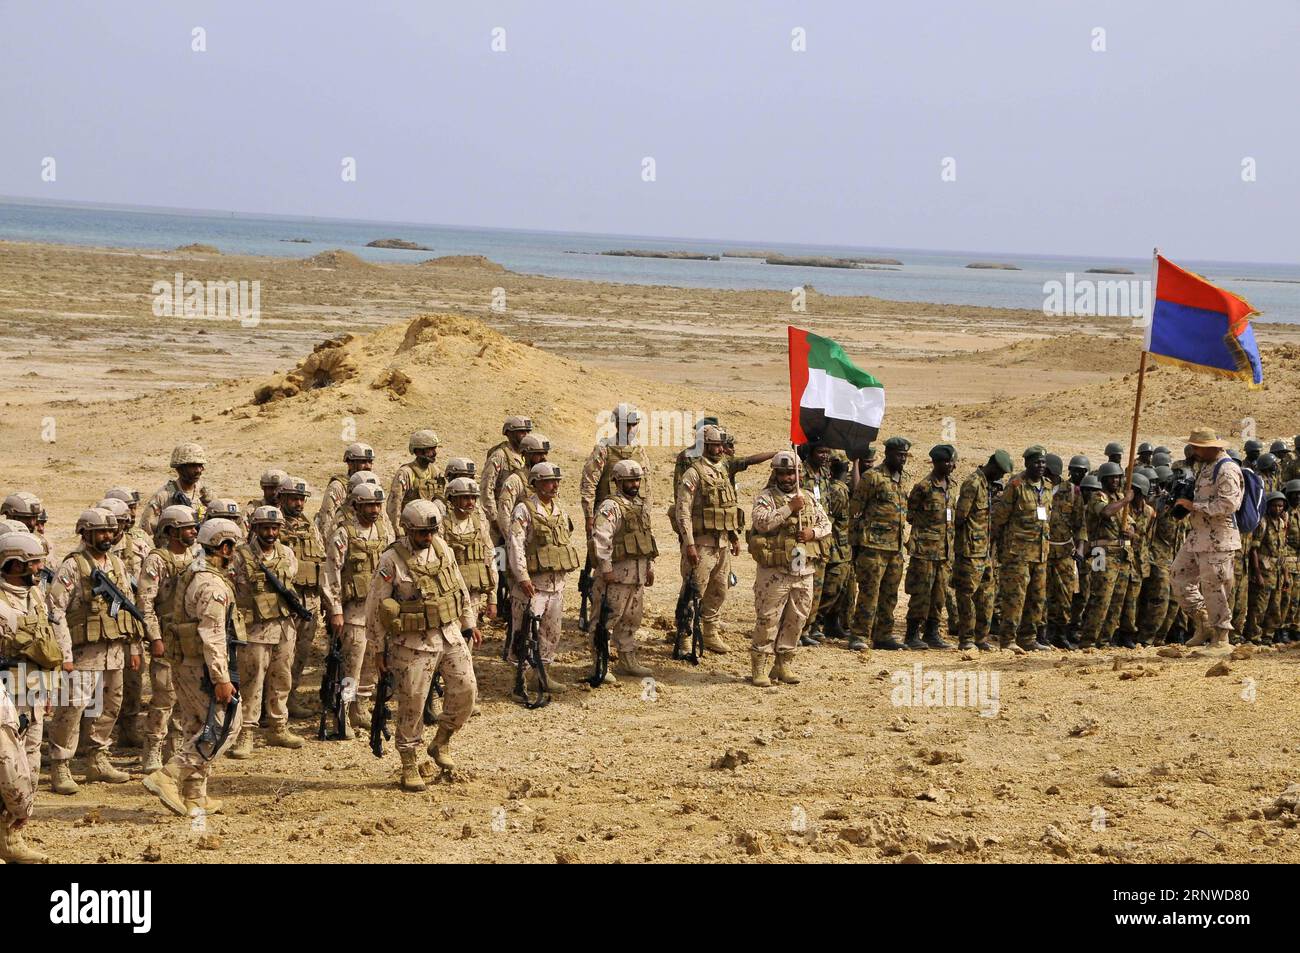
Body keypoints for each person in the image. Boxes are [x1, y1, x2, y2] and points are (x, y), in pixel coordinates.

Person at [366, 501, 479, 791]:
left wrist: (469, 622)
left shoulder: (443, 548)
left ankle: (441, 742)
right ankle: (408, 762)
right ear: (407, 529)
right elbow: (376, 606)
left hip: (449, 634)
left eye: (431, 531)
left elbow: (459, 588)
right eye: (421, 533)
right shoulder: (391, 560)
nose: (427, 537)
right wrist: (378, 650)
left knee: (466, 689)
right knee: (412, 704)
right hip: (412, 644)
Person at [141, 518, 245, 817]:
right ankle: (168, 775)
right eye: (233, 547)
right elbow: (212, 636)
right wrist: (221, 679)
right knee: (226, 727)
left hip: (186, 663)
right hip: (201, 667)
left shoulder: (194, 572)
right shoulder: (212, 586)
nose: (235, 553)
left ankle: (194, 796)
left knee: (198, 727)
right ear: (224, 547)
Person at [45, 508, 143, 794]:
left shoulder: (115, 562)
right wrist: (64, 654)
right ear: (85, 534)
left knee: (109, 706)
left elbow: (128, 605)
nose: (107, 537)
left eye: (110, 532)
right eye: (100, 532)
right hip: (83, 652)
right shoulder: (73, 566)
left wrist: (134, 647)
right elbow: (56, 612)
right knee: (73, 708)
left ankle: (97, 758)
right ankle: (60, 764)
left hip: (114, 650)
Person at [0, 530, 62, 863]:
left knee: (30, 763)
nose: (38, 569)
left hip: (34, 690)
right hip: (7, 694)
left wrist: (48, 689)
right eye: (32, 563)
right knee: (5, 766)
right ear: (14, 564)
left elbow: (46, 641)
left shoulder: (34, 596)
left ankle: (11, 837)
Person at [746, 452, 831, 685]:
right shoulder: (766, 498)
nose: (786, 478)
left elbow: (826, 524)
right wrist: (789, 509)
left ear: (797, 474)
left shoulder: (809, 498)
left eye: (790, 473)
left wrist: (812, 533)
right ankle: (760, 666)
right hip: (776, 571)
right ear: (775, 474)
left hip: (803, 570)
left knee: (798, 618)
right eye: (782, 473)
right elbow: (762, 523)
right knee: (768, 619)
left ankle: (784, 664)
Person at [228, 506, 303, 756]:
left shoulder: (288, 554)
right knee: (252, 682)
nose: (270, 533)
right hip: (254, 630)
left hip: (283, 628)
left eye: (274, 528)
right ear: (254, 528)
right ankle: (246, 731)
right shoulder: (241, 557)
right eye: (265, 528)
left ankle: (278, 727)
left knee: (282, 678)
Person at [323, 483, 392, 735]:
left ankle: (359, 708)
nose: (374, 510)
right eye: (369, 505)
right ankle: (343, 711)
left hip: (379, 613)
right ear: (355, 506)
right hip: (354, 613)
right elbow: (332, 573)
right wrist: (336, 610)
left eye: (377, 505)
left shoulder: (385, 532)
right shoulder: (343, 534)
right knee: (351, 667)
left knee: (372, 667)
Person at [506, 462, 582, 693]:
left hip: (556, 584)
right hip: (532, 585)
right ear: (536, 483)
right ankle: (520, 679)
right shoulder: (524, 510)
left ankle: (542, 675)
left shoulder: (559, 509)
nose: (554, 485)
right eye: (549, 481)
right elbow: (515, 544)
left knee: (551, 633)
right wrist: (522, 576)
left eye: (557, 481)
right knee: (524, 633)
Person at [136, 505, 199, 771]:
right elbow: (145, 603)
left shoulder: (197, 555)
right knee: (163, 697)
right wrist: (155, 637)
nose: (193, 531)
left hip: (191, 637)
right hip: (166, 634)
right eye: (188, 528)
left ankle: (175, 748)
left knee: (185, 698)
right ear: (172, 531)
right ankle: (152, 749)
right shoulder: (157, 560)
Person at [1171, 428, 1245, 650]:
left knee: (1215, 587)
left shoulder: (1227, 469)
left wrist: (1195, 506)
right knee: (1178, 575)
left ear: (1211, 447)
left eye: (1197, 447)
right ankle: (1203, 622)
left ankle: (1221, 636)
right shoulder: (1206, 466)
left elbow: (1229, 504)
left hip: (1218, 539)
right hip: (1198, 536)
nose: (1193, 451)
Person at [673, 425, 740, 654]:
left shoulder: (722, 470)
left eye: (721, 445)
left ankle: (710, 632)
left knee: (719, 590)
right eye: (715, 445)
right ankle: (684, 636)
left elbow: (726, 507)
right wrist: (689, 543)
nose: (720, 449)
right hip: (701, 544)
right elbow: (683, 511)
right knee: (693, 591)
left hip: (721, 543)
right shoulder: (693, 473)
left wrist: (733, 537)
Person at [589, 459, 657, 678]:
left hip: (636, 574)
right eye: (630, 481)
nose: (635, 485)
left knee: (631, 618)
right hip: (616, 575)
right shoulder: (611, 506)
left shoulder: (639, 505)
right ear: (618, 482)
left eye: (637, 480)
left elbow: (647, 537)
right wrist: (606, 568)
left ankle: (627, 659)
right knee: (605, 619)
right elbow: (601, 538)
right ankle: (600, 662)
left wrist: (649, 567)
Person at [849, 437, 910, 651]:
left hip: (895, 548)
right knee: (869, 593)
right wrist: (855, 546)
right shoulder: (872, 477)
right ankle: (859, 635)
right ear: (888, 454)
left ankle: (883, 635)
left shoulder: (904, 479)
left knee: (890, 594)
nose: (902, 459)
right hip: (872, 547)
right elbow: (855, 512)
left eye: (905, 455)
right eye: (898, 455)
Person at [991, 446, 1054, 651]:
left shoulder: (1047, 486)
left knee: (1037, 599)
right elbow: (1000, 518)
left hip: (1040, 553)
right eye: (1037, 462)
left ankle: (1028, 638)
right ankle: (1008, 639)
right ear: (1027, 463)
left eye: (1043, 463)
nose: (1041, 466)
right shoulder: (1016, 486)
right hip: (1017, 553)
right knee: (1014, 598)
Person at [276, 477, 329, 718]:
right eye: (293, 499)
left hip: (310, 601)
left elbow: (322, 561)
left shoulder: (310, 526)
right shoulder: (273, 525)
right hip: (285, 603)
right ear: (282, 498)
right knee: (280, 656)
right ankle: (273, 704)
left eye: (301, 499)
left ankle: (291, 698)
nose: (298, 503)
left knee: (301, 653)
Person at [952, 450, 1012, 651]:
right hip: (969, 552)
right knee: (967, 596)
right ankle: (966, 639)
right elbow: (960, 518)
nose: (1001, 477)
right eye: (1000, 472)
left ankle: (980, 637)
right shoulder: (973, 483)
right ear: (993, 465)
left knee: (986, 595)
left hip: (984, 551)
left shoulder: (986, 484)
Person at [904, 444, 957, 650]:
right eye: (947, 462)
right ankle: (911, 634)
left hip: (944, 551)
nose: (951, 465)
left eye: (952, 461)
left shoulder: (950, 486)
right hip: (925, 551)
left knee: (939, 594)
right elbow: (910, 515)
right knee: (921, 592)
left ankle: (932, 633)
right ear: (936, 463)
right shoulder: (923, 487)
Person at [580, 403, 652, 538]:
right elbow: (588, 484)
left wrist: (646, 514)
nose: (630, 429)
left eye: (633, 425)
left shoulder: (639, 450)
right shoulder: (604, 449)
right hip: (607, 515)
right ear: (617, 425)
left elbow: (647, 487)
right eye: (627, 425)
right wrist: (589, 517)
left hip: (634, 514)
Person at [141, 443, 216, 534]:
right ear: (179, 468)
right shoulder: (164, 496)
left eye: (200, 465)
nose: (198, 470)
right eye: (193, 466)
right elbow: (146, 533)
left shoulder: (205, 494)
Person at [481, 416, 533, 547]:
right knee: (500, 559)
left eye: (527, 432)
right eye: (522, 432)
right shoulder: (500, 455)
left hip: (520, 516)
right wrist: (494, 518)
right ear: (509, 433)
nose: (525, 436)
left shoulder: (526, 455)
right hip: (501, 517)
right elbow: (486, 488)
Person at [387, 430, 445, 535]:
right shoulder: (406, 473)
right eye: (429, 449)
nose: (434, 453)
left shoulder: (435, 471)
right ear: (418, 451)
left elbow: (441, 499)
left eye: (434, 448)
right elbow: (394, 506)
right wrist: (397, 531)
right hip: (411, 529)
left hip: (430, 527)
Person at [315, 442, 375, 537]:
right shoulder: (338, 487)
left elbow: (383, 521)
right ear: (350, 463)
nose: (368, 466)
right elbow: (326, 522)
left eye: (370, 462)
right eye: (363, 462)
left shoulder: (373, 486)